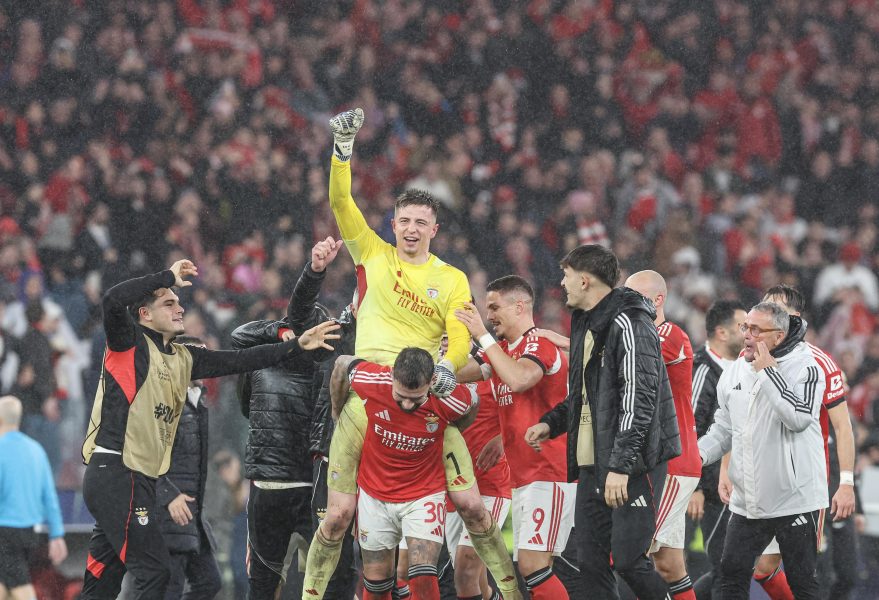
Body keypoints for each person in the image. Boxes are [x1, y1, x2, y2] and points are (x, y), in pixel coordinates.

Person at [304, 109, 518, 600]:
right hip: (368, 396)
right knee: (336, 517)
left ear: (435, 229)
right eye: (404, 221)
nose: (412, 229)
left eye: (421, 222)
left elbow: (460, 336)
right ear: (393, 225)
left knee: (473, 506)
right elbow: (340, 200)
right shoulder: (371, 253)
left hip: (424, 395)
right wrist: (342, 149)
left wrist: (445, 367)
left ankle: (509, 593)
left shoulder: (452, 279)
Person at [80, 259, 340, 599]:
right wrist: (167, 276)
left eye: (178, 302)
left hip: (136, 477)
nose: (180, 308)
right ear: (144, 314)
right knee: (155, 573)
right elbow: (113, 300)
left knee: (104, 582)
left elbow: (241, 359)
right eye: (168, 303)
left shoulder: (184, 358)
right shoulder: (128, 344)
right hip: (116, 471)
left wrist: (297, 346)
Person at [524, 244, 680, 600]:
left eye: (566, 276)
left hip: (634, 463)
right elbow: (588, 393)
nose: (561, 283)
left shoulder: (631, 322)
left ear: (584, 280)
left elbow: (638, 399)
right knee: (591, 564)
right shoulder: (584, 321)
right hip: (593, 462)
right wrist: (552, 423)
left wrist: (621, 466)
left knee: (629, 561)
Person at [231, 237, 345, 600]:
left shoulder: (263, 359)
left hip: (270, 483)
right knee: (330, 581)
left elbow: (239, 339)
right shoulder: (329, 370)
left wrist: (282, 334)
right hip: (310, 484)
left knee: (264, 581)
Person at [455, 275, 574, 600]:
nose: (489, 315)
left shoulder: (539, 343)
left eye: (494, 307)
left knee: (533, 567)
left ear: (519, 307)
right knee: (534, 569)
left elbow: (520, 379)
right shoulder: (503, 350)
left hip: (549, 472)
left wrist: (481, 334)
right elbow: (461, 371)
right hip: (524, 477)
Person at [698, 302, 828, 599]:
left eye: (756, 329)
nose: (746, 334)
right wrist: (697, 455)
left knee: (803, 584)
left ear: (778, 336)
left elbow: (798, 418)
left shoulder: (807, 367)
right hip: (748, 501)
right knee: (730, 577)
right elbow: (724, 428)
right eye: (745, 326)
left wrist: (768, 371)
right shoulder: (734, 371)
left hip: (794, 499)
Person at [330, 348, 479, 600]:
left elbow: (472, 402)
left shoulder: (448, 398)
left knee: (423, 575)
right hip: (375, 493)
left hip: (424, 492)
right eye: (400, 396)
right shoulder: (373, 379)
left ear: (430, 383)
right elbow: (342, 364)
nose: (407, 404)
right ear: (392, 377)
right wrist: (336, 412)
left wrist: (451, 430)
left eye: (416, 398)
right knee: (377, 587)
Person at [749, 284, 858, 599]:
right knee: (759, 569)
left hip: (805, 483)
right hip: (762, 480)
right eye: (765, 307)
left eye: (777, 309)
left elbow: (843, 427)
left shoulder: (819, 362)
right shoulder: (749, 359)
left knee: (806, 572)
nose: (768, 314)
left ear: (795, 317)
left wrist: (846, 482)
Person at [624, 270, 700, 600]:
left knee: (630, 552)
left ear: (658, 300)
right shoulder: (640, 335)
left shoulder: (669, 334)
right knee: (669, 564)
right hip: (665, 460)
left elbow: (625, 361)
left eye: (634, 297)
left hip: (672, 462)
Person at [688, 300, 747, 600]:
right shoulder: (702, 369)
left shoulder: (743, 368)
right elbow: (690, 429)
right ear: (722, 333)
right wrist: (695, 486)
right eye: (742, 326)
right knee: (722, 569)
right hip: (708, 490)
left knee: (732, 569)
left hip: (734, 487)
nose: (749, 332)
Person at [156, 335, 221, 600]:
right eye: (199, 357)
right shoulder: (162, 401)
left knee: (209, 583)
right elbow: (141, 456)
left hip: (191, 514)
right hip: (167, 513)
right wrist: (168, 496)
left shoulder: (197, 403)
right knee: (168, 589)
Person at [443, 378, 512, 600]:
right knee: (469, 577)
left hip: (490, 488)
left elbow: (527, 413)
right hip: (455, 491)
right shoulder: (437, 378)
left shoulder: (494, 373)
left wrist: (503, 439)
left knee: (465, 574)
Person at [0, 395, 68, 600]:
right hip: (29, 532)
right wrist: (56, 534)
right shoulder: (36, 450)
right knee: (5, 586)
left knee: (20, 588)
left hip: (4, 531)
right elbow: (49, 496)